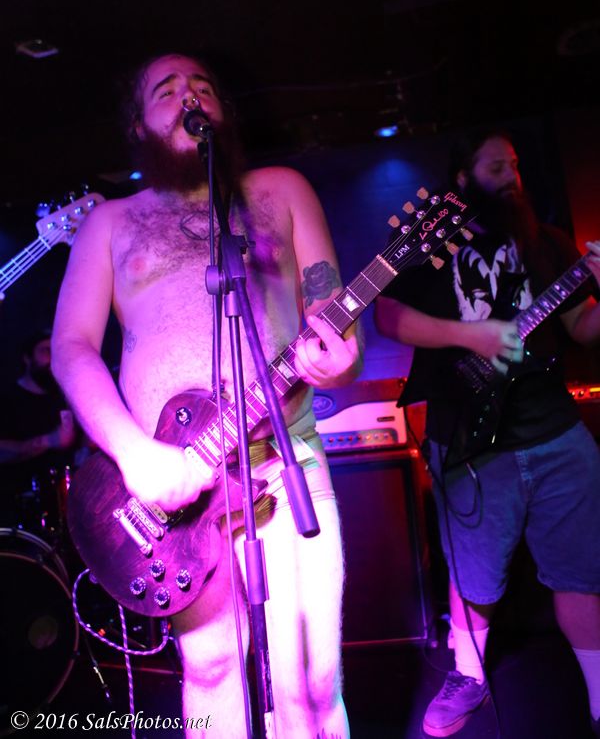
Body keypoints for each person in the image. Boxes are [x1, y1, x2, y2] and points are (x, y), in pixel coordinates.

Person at [51, 52, 362, 739]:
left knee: (311, 682)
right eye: (166, 91)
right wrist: (135, 456)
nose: (190, 96)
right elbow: (72, 347)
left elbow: (332, 312)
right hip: (173, 489)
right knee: (214, 667)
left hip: (283, 459)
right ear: (139, 125)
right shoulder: (110, 223)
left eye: (203, 86)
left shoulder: (279, 190)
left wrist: (341, 360)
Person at [375, 130, 600, 737]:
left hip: (555, 431)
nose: (511, 176)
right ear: (463, 176)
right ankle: (468, 676)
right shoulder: (433, 241)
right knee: (474, 578)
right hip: (471, 441)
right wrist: (469, 335)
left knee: (582, 570)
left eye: (516, 165)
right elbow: (387, 315)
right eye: (496, 165)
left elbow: (582, 326)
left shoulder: (547, 242)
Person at [0, 329, 76, 528]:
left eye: (55, 351)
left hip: (65, 507)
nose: (52, 358)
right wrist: (50, 440)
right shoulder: (7, 399)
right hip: (20, 510)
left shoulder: (61, 397)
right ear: (27, 359)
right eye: (45, 351)